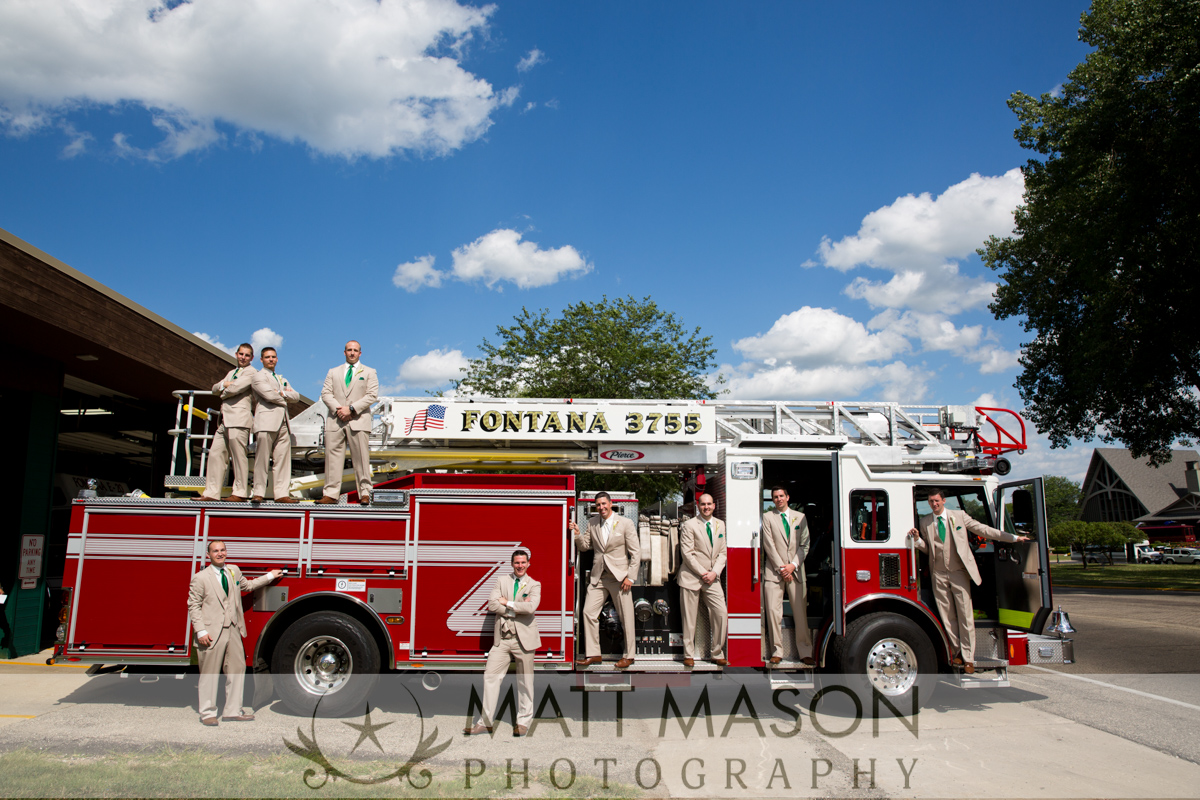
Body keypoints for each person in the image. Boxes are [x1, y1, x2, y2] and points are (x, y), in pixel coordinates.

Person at [907, 487, 1031, 674]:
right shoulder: (925, 522)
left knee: (965, 615)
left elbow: (984, 530)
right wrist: (917, 540)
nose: (934, 504)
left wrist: (1013, 538)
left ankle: (968, 658)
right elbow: (927, 549)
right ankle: (957, 652)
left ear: (944, 500)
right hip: (938, 574)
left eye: (937, 500)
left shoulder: (959, 515)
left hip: (959, 572)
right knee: (947, 617)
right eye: (931, 501)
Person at [187, 540, 282, 725]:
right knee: (210, 674)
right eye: (215, 551)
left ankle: (232, 710)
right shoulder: (200, 578)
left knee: (237, 671)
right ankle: (207, 713)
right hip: (211, 632)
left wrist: (269, 576)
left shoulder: (233, 571)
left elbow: (247, 586)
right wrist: (201, 631)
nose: (220, 553)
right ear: (208, 555)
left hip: (233, 629)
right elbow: (194, 605)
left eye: (222, 550)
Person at [464, 549, 541, 737]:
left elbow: (531, 607)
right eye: (517, 563)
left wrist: (506, 603)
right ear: (512, 564)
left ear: (528, 563)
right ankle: (485, 722)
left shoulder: (534, 584)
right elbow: (492, 604)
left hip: (524, 640)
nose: (520, 566)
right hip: (502, 640)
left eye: (523, 562)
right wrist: (515, 607)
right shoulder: (502, 581)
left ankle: (523, 722)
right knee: (490, 677)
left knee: (525, 682)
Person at [570, 492, 640, 669]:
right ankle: (594, 654)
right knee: (588, 613)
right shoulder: (592, 522)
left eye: (603, 504)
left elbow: (636, 553)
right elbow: (585, 546)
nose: (601, 507)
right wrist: (577, 534)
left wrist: (630, 577)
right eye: (598, 505)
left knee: (627, 617)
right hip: (599, 577)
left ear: (611, 503)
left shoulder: (626, 523)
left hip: (620, 578)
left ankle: (629, 656)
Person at [318, 340, 379, 505]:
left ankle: (365, 493)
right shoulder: (333, 372)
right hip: (336, 420)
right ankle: (330, 494)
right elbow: (326, 393)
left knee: (361, 459)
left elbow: (372, 395)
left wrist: (351, 409)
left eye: (355, 350)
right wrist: (339, 409)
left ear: (360, 353)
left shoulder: (369, 372)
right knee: (332, 459)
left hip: (358, 419)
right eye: (349, 350)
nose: (352, 353)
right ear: (344, 352)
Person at [761, 486, 815, 666]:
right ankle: (777, 651)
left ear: (787, 497)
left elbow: (805, 545)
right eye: (775, 497)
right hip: (774, 574)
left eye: (781, 496)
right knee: (773, 614)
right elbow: (768, 545)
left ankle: (805, 651)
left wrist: (792, 566)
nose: (778, 499)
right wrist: (782, 569)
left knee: (800, 614)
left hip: (796, 572)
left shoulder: (800, 518)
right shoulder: (768, 517)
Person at [197, 343, 257, 502]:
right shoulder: (232, 372)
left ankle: (240, 492)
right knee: (216, 454)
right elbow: (214, 388)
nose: (243, 357)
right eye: (241, 354)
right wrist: (224, 384)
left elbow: (235, 389)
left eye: (247, 355)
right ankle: (211, 493)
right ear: (236, 354)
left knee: (238, 457)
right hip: (224, 420)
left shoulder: (252, 372)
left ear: (252, 357)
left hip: (239, 419)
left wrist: (223, 390)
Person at [678, 493, 728, 667]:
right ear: (698, 506)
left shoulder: (721, 525)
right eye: (703, 504)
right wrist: (703, 573)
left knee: (721, 613)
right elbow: (687, 553)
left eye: (709, 504)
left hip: (712, 578)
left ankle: (717, 652)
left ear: (714, 505)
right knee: (689, 619)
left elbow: (723, 552)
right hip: (691, 577)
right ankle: (688, 654)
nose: (706, 507)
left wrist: (714, 572)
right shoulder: (689, 525)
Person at [250, 347, 300, 503]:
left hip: (284, 423)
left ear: (277, 359)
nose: (270, 359)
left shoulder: (280, 379)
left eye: (273, 357)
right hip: (266, 422)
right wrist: (284, 396)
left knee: (283, 461)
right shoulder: (258, 376)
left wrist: (282, 393)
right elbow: (268, 395)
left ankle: (281, 494)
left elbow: (296, 396)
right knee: (262, 459)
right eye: (267, 357)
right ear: (261, 360)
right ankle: (258, 492)